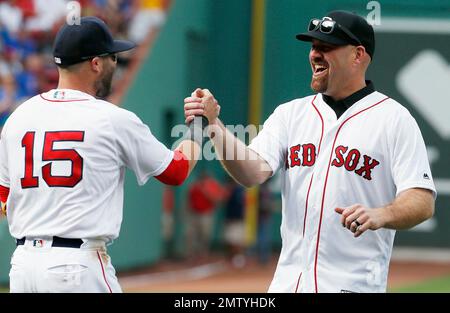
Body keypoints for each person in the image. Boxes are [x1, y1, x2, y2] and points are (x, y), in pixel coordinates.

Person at [184, 10, 436, 293]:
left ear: (358, 55)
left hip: (353, 286)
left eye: (326, 47)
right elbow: (251, 171)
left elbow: (422, 200)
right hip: (288, 285)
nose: (315, 54)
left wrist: (382, 214)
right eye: (313, 46)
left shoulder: (393, 119)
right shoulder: (291, 114)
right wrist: (214, 124)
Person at [0, 16, 206, 293]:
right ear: (95, 63)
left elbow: (3, 196)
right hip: (76, 266)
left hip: (23, 267)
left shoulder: (19, 116)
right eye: (112, 57)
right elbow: (175, 171)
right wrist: (198, 127)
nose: (115, 64)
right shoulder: (111, 118)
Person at [186, 170, 226, 260]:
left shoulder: (211, 186)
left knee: (205, 234)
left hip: (206, 214)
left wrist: (206, 191)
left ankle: (203, 254)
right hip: (194, 214)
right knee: (191, 235)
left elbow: (218, 199)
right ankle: (192, 255)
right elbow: (189, 199)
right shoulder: (194, 186)